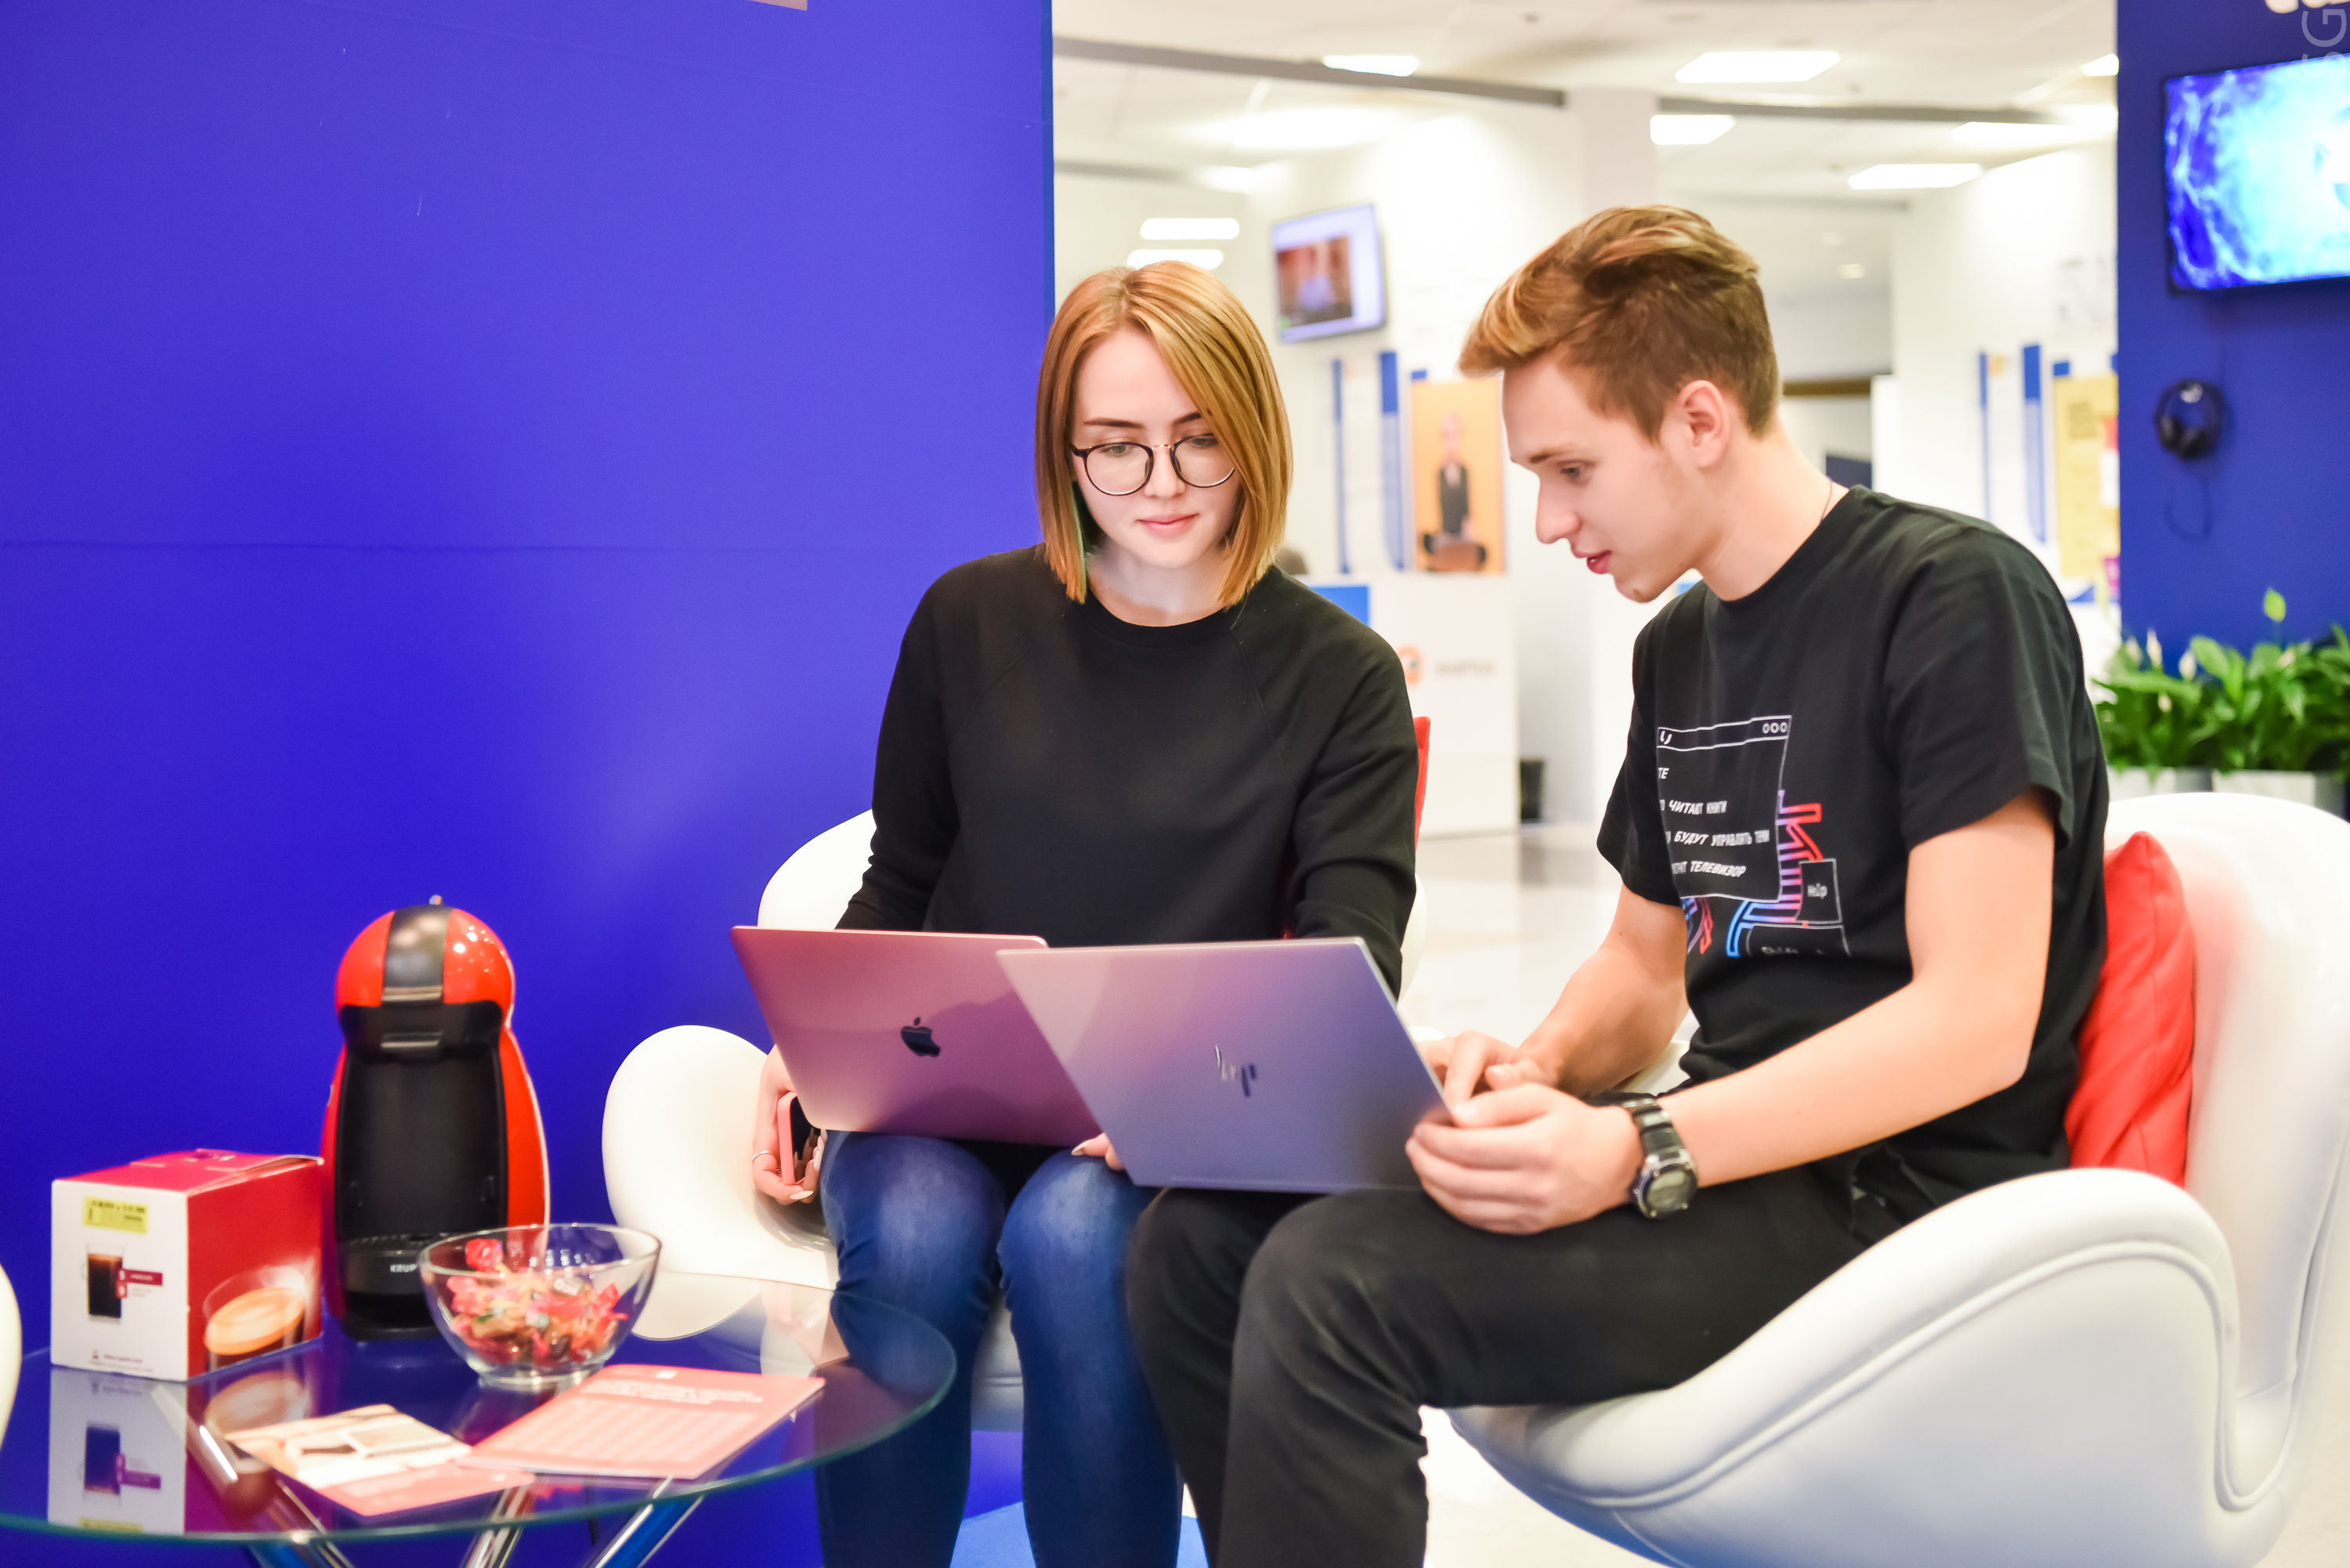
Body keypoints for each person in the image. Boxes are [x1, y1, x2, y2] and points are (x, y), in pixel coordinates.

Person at [1124, 205, 2109, 1568]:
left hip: (1896, 1196)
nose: (1548, 520)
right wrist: (1531, 1074)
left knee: (1326, 1283)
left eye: (1572, 470)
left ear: (1699, 419)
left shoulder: (1951, 597)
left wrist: (1638, 1146)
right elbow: (1645, 973)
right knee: (1196, 1242)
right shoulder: (1681, 647)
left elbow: (1977, 1019)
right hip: (1727, 1157)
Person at [750, 259, 1419, 1568]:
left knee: (1073, 1241)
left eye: (1199, 439)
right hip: (946, 1099)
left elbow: (1352, 964)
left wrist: (1191, 1102)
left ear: (1255, 433)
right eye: (1115, 446)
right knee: (915, 1239)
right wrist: (816, 1044)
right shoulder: (968, 619)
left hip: (1167, 1127)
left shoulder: (1340, 677)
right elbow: (902, 877)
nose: (1161, 483)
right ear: (1064, 451)